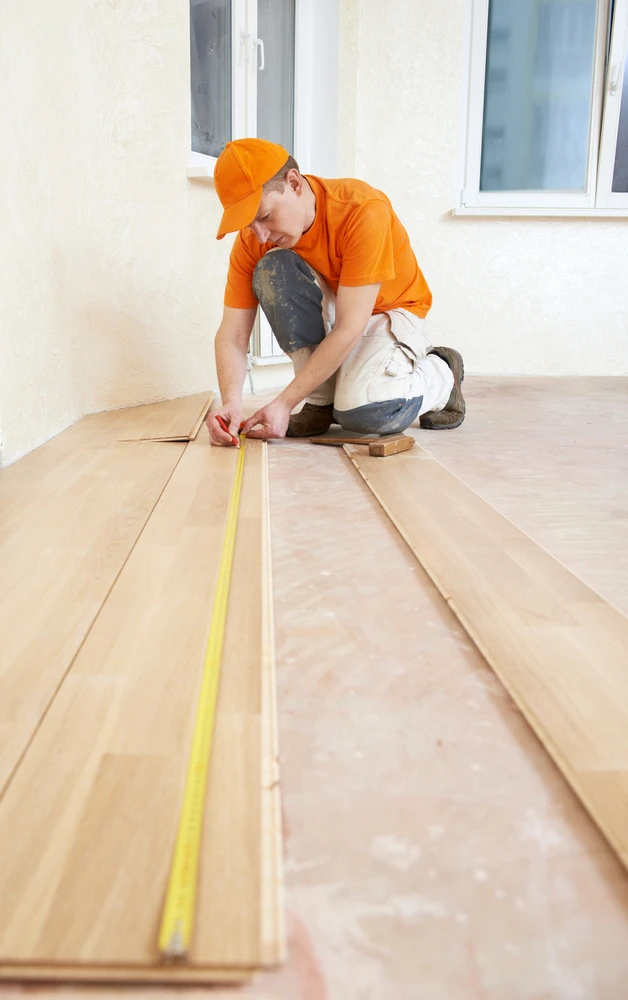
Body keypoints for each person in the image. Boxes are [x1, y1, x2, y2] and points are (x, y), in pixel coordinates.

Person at [205, 138, 465, 446]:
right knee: (272, 268)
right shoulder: (256, 240)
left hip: (387, 312)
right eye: (249, 225)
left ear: (294, 183)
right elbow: (232, 334)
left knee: (367, 415)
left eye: (265, 216)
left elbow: (349, 327)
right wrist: (231, 403)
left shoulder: (362, 210)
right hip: (341, 312)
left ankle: (442, 373)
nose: (260, 234)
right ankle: (320, 399)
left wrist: (284, 402)